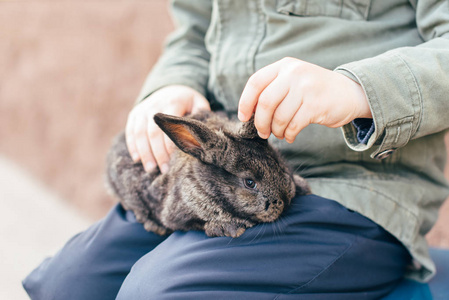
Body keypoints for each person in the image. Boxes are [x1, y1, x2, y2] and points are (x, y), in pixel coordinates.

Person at [24, 0, 449, 299]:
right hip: (218, 175)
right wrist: (174, 82)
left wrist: (354, 89)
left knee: (159, 291)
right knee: (68, 284)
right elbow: (193, 33)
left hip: (357, 185)